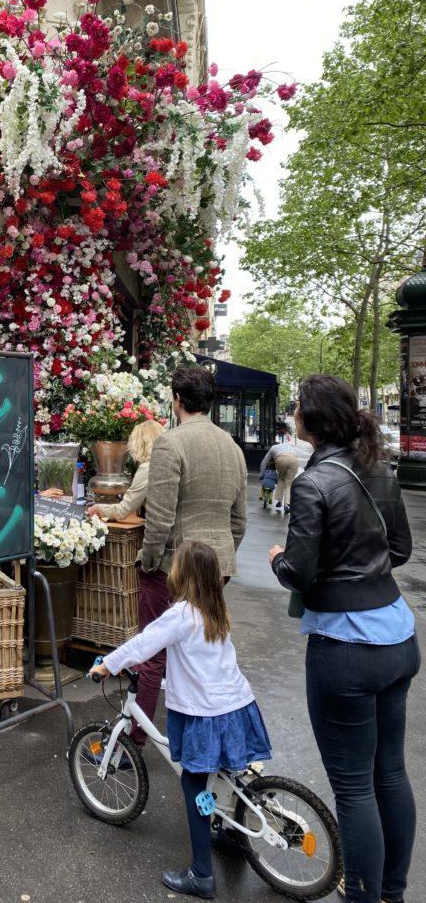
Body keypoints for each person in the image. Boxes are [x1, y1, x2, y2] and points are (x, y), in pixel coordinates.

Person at [269, 374, 419, 903]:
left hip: (345, 649)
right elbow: (398, 550)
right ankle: (390, 893)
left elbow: (300, 573)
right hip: (398, 637)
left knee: (354, 788)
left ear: (311, 420)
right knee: (390, 774)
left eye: (296, 411)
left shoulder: (314, 483)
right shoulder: (379, 469)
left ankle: (360, 894)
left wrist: (279, 562)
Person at [90, 541, 271, 900]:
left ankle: (202, 873)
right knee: (224, 774)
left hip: (204, 713)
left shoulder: (181, 614)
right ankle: (233, 835)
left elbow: (144, 643)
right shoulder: (215, 609)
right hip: (235, 706)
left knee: (194, 785)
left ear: (182, 574)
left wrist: (107, 664)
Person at [130, 366, 247, 748]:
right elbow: (239, 521)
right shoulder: (232, 447)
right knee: (204, 651)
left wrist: (147, 561)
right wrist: (220, 561)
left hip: (174, 567)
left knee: (153, 653)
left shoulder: (170, 443)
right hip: (217, 567)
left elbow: (159, 519)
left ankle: (136, 739)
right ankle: (210, 738)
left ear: (177, 399)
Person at [85, 419, 164, 522]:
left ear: (138, 443)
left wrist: (98, 508)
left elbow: (122, 511)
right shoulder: (168, 463)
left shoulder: (148, 468)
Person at [259, 436, 299, 514]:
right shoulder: (288, 446)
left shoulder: (273, 448)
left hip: (281, 459)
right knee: (288, 484)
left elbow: (265, 461)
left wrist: (261, 473)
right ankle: (287, 505)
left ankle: (279, 501)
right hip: (294, 460)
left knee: (281, 479)